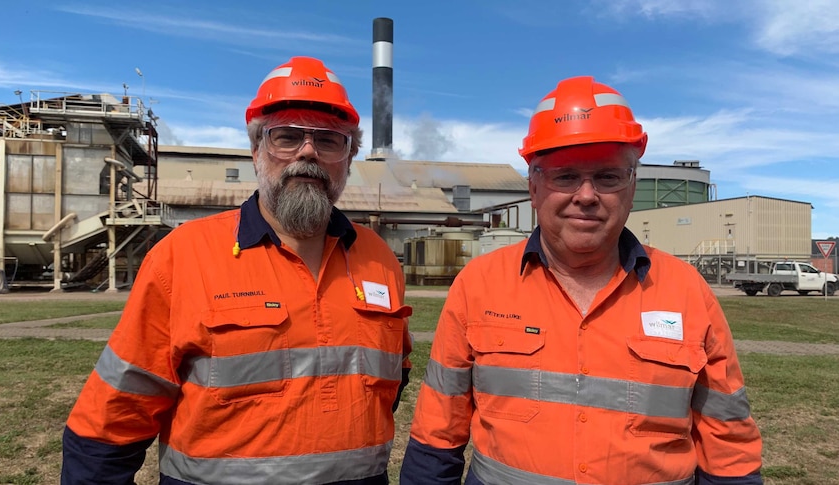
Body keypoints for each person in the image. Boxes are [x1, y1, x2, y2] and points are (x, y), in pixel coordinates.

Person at [62, 56, 413, 485]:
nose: (308, 152)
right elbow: (112, 420)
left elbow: (394, 375)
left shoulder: (378, 257)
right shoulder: (183, 256)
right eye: (286, 137)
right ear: (255, 150)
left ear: (349, 157)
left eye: (329, 141)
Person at [400, 76, 763, 485]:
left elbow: (728, 446)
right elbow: (436, 436)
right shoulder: (478, 285)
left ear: (631, 187)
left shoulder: (687, 291)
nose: (587, 195)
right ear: (534, 188)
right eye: (566, 176)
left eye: (608, 177)